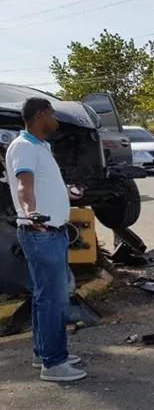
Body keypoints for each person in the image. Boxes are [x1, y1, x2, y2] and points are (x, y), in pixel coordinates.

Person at [6, 98, 87, 382]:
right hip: (42, 234)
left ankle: (44, 352)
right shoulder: (24, 147)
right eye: (52, 114)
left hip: (53, 233)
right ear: (40, 115)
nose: (56, 120)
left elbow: (41, 181)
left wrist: (65, 191)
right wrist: (31, 214)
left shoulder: (40, 146)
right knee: (53, 299)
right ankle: (54, 364)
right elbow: (23, 184)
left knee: (45, 298)